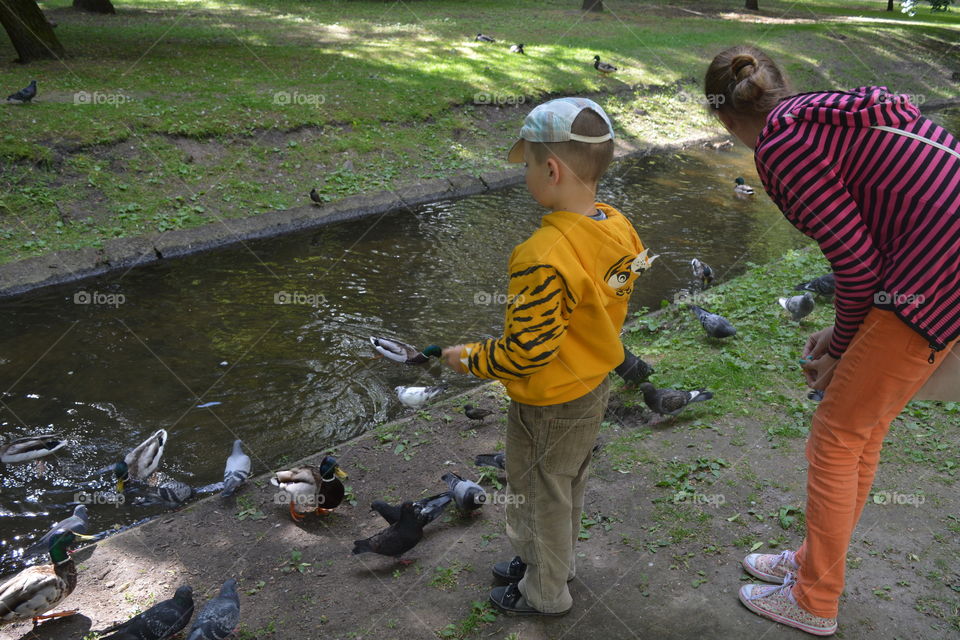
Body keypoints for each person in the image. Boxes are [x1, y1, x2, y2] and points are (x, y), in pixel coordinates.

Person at [704, 45, 960, 636]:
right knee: (861, 428)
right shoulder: (821, 114)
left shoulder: (782, 147)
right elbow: (872, 248)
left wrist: (843, 346)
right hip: (933, 270)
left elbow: (856, 265)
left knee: (838, 436)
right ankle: (812, 565)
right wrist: (846, 336)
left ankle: (815, 599)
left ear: (723, 119)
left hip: (932, 277)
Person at [440, 97, 652, 616]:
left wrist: (467, 357)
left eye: (529, 165)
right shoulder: (616, 223)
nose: (527, 174)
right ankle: (554, 563)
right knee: (565, 485)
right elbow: (632, 274)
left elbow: (526, 352)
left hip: (549, 400)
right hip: (591, 385)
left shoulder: (540, 256)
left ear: (551, 169)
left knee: (536, 492)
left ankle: (545, 591)